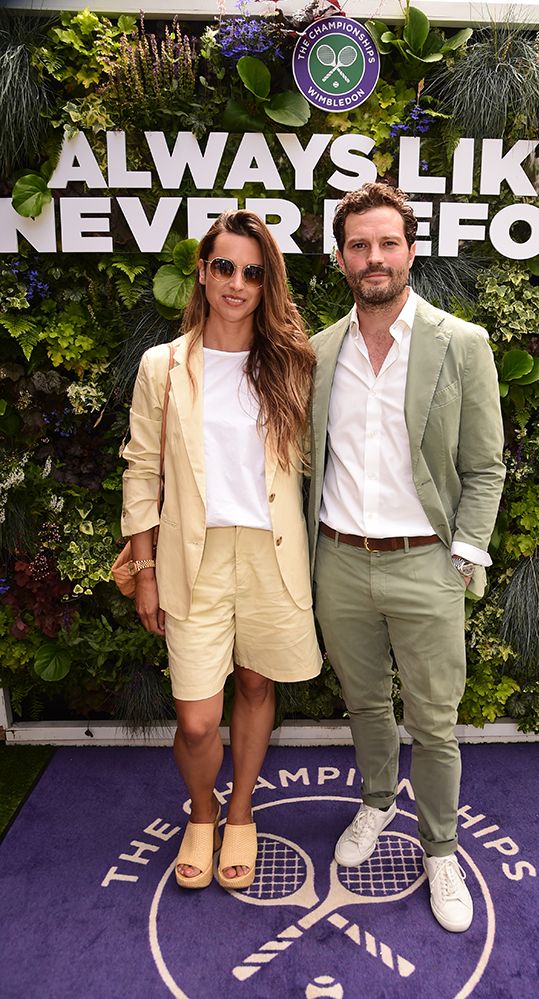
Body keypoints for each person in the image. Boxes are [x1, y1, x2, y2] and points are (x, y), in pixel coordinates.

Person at [307, 183, 505, 932]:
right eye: (359, 245)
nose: (374, 257)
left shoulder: (462, 343)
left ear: (411, 250)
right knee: (363, 703)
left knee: (434, 721)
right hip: (339, 562)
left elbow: (485, 466)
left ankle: (441, 848)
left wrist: (462, 553)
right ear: (339, 258)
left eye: (387, 242)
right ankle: (377, 803)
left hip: (426, 563)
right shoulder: (319, 350)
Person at [121, 209, 321, 891]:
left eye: (253, 272)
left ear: (268, 284)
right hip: (191, 556)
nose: (237, 283)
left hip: (270, 551)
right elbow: (142, 468)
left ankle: (240, 812)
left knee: (258, 682)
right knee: (198, 716)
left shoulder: (292, 360)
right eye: (225, 267)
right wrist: (143, 568)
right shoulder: (164, 367)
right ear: (202, 272)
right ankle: (200, 811)